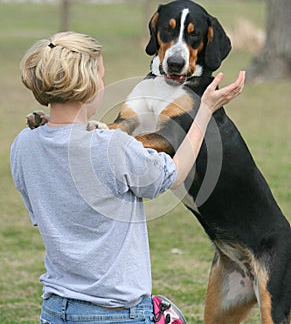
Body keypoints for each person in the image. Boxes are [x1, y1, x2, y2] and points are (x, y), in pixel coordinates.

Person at [10, 31, 245, 324]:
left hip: (55, 310)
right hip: (117, 314)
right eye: (101, 75)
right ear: (88, 83)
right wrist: (205, 109)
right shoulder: (113, 147)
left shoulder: (23, 145)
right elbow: (174, 173)